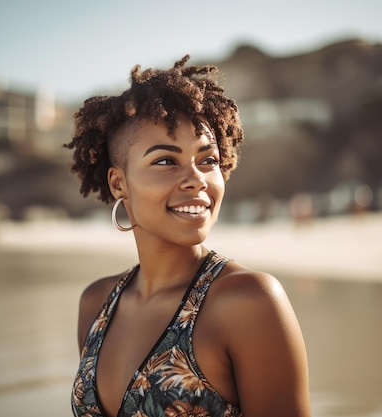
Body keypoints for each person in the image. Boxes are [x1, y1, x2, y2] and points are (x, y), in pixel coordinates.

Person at [66, 55, 311, 417]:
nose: (197, 178)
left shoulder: (249, 301)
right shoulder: (96, 304)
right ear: (119, 183)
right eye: (166, 161)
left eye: (208, 160)